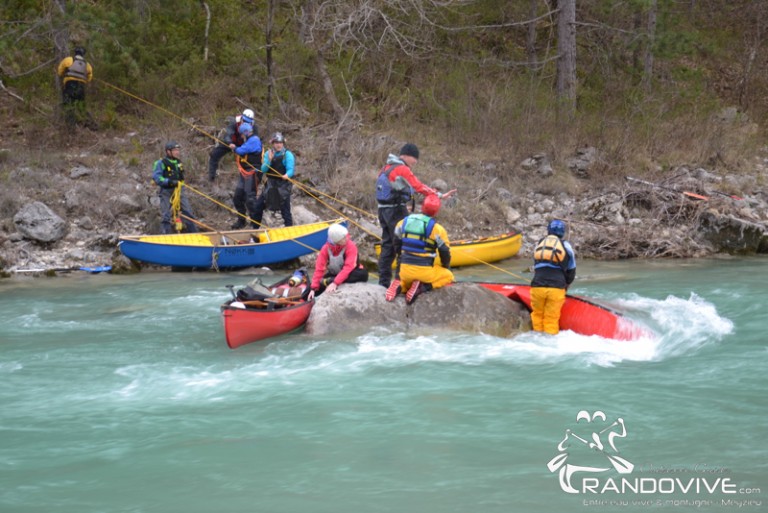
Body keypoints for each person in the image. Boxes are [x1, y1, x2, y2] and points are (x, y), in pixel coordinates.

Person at [375, 143, 440, 288]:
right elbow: (417, 186)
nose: (415, 163)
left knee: (387, 246)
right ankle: (400, 282)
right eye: (414, 159)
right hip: (396, 211)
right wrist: (437, 194)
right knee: (403, 246)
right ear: (406, 155)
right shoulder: (401, 168)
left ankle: (383, 284)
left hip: (383, 211)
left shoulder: (385, 168)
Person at [387, 194, 453, 305]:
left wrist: (400, 257)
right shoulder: (437, 229)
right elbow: (445, 252)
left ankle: (400, 285)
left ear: (422, 207)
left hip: (405, 270)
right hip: (424, 272)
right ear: (436, 211)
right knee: (448, 275)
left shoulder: (404, 221)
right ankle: (422, 287)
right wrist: (445, 266)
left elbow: (396, 242)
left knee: (407, 280)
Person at [530, 219, 576, 335]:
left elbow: (536, 265)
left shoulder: (540, 243)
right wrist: (567, 284)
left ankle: (537, 338)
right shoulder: (566, 246)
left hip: (537, 286)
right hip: (556, 287)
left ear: (549, 230)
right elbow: (571, 269)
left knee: (537, 315)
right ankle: (549, 342)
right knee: (551, 318)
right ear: (562, 232)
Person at [308, 223, 369, 299]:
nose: (347, 238)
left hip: (351, 273)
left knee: (363, 274)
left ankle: (329, 281)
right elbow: (319, 269)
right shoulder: (325, 248)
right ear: (336, 240)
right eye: (343, 238)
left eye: (346, 236)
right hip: (334, 274)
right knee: (310, 289)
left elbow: (348, 267)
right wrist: (313, 288)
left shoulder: (350, 246)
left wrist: (335, 283)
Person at [152, 141, 198, 234]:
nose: (177, 152)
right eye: (175, 150)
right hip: (166, 190)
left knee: (187, 211)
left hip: (179, 190)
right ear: (168, 151)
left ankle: (194, 233)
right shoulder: (161, 163)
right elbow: (157, 178)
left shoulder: (178, 162)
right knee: (166, 214)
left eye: (178, 150)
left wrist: (181, 185)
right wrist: (169, 181)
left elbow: (181, 177)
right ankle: (166, 234)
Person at [252, 132, 295, 227]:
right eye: (276, 142)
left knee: (286, 211)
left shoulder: (287, 154)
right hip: (270, 185)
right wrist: (269, 160)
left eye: (280, 142)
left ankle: (290, 231)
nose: (278, 145)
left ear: (283, 143)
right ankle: (254, 230)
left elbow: (291, 170)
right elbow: (263, 170)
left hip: (283, 186)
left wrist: (287, 175)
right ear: (273, 143)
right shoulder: (268, 153)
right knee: (258, 207)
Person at [229, 123, 263, 229]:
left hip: (252, 173)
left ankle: (256, 224)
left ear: (246, 133)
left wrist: (234, 148)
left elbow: (241, 150)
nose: (242, 137)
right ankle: (241, 221)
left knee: (250, 198)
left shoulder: (254, 140)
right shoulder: (248, 141)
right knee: (237, 197)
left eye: (242, 135)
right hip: (244, 173)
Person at [207, 108, 256, 181]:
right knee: (214, 154)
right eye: (244, 121)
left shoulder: (254, 127)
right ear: (241, 118)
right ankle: (211, 177)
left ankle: (248, 178)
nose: (245, 123)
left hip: (243, 146)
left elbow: (254, 140)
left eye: (248, 122)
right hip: (231, 142)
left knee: (248, 161)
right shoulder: (234, 122)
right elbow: (228, 134)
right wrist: (230, 143)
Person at [56, 46, 94, 128]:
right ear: (83, 54)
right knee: (82, 107)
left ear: (75, 52)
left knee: (68, 105)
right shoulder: (87, 65)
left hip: (70, 85)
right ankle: (89, 124)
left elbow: (59, 71)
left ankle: (70, 126)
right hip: (81, 87)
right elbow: (89, 77)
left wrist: (65, 75)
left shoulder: (68, 60)